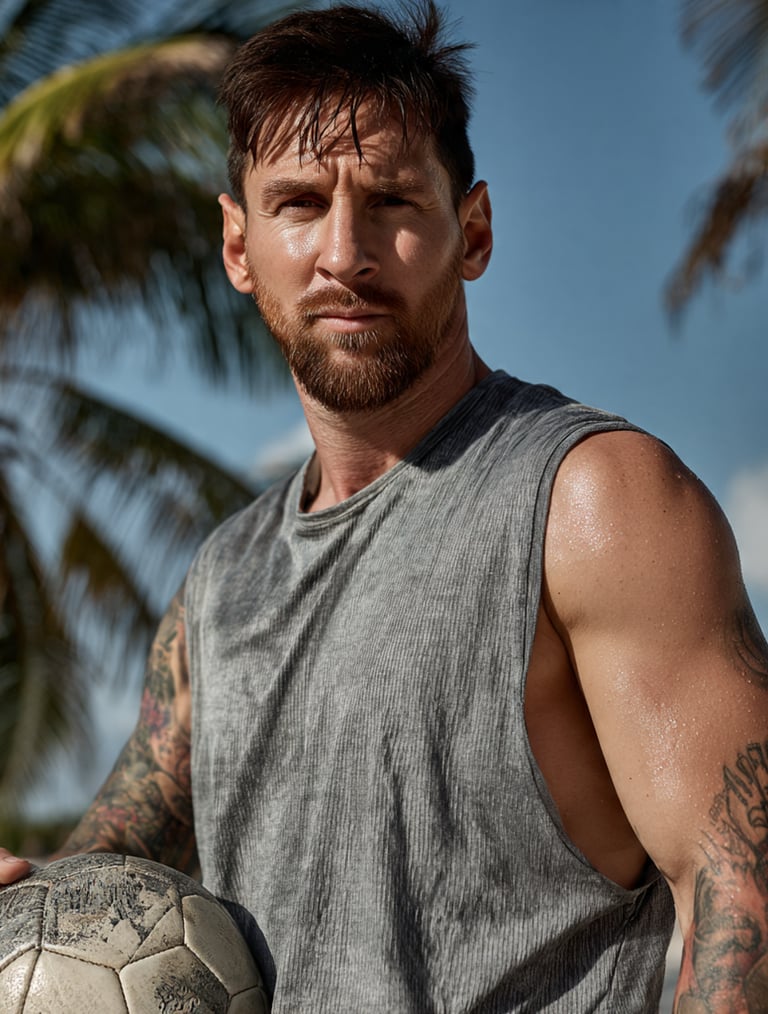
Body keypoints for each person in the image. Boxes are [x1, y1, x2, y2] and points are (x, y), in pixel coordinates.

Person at [2, 2, 768, 1010]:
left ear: (474, 230)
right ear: (238, 246)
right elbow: (108, 874)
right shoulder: (223, 582)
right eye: (300, 202)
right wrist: (30, 894)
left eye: (396, 202)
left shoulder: (594, 501)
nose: (345, 253)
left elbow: (742, 887)